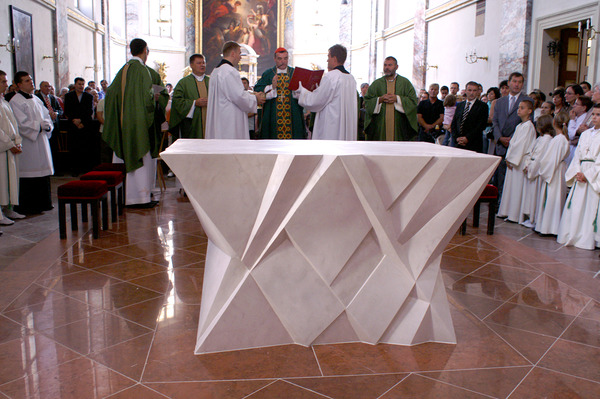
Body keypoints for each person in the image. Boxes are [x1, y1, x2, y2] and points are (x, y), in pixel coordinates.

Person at [103, 38, 161, 207]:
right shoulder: (143, 71)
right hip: (139, 126)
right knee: (141, 157)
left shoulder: (123, 70)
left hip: (123, 125)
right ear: (145, 50)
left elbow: (111, 95)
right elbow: (147, 98)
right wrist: (155, 99)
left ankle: (124, 197)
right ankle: (140, 198)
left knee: (124, 158)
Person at [8, 71, 54, 215]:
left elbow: (46, 115)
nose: (31, 82)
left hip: (41, 140)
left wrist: (47, 124)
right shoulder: (15, 101)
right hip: (28, 143)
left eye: (31, 79)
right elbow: (20, 123)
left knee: (42, 172)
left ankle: (43, 203)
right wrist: (39, 126)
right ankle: (29, 206)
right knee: (30, 173)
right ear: (19, 84)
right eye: (27, 81)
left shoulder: (36, 99)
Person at [557, 104, 600, 250]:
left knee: (590, 208)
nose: (594, 117)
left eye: (598, 115)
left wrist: (587, 175)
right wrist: (577, 171)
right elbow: (577, 156)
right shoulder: (586, 134)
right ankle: (572, 233)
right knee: (575, 206)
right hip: (580, 171)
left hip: (593, 175)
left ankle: (586, 238)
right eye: (593, 114)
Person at [296, 44, 357, 141]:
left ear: (334, 58)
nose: (327, 60)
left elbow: (316, 101)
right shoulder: (351, 78)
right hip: (345, 126)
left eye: (328, 57)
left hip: (332, 127)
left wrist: (302, 91)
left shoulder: (331, 76)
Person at [205, 41, 265, 139]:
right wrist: (255, 98)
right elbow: (239, 97)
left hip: (219, 119)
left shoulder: (215, 71)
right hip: (228, 122)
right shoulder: (229, 71)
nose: (240, 57)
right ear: (233, 54)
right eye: (239, 53)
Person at [492, 72, 531, 201]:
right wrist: (499, 137)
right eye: (514, 81)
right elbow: (495, 121)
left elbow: (526, 124)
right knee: (499, 176)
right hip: (500, 143)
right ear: (508, 83)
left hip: (516, 145)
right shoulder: (500, 101)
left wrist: (512, 139)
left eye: (520, 82)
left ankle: (507, 203)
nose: (517, 84)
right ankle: (497, 203)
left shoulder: (527, 100)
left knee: (511, 178)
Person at [497, 99, 536, 222]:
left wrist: (511, 159)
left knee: (517, 188)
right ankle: (508, 212)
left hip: (519, 161)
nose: (519, 110)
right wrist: (509, 157)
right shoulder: (520, 125)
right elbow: (513, 144)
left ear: (530, 111)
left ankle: (515, 215)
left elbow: (521, 145)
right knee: (511, 187)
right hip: (513, 160)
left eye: (522, 108)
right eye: (519, 107)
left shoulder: (529, 126)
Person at [254, 47, 305, 139]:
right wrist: (271, 87)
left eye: (285, 58)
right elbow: (258, 89)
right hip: (273, 116)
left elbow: (304, 91)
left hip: (292, 115)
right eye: (280, 59)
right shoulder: (269, 74)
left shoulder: (294, 73)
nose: (283, 61)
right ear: (275, 59)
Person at [364, 56, 418, 142]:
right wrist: (380, 99)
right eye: (385, 65)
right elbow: (367, 102)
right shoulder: (376, 84)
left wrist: (397, 99)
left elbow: (413, 102)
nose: (387, 68)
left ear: (396, 67)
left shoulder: (405, 83)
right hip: (380, 127)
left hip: (399, 127)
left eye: (390, 65)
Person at [534, 111, 570, 235]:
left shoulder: (558, 140)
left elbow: (550, 159)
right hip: (557, 170)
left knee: (552, 198)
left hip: (554, 171)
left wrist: (542, 169)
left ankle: (549, 228)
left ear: (554, 123)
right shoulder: (561, 139)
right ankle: (548, 226)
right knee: (553, 197)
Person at [519, 114, 553, 228]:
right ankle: (530, 217)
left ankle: (534, 218)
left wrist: (532, 168)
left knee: (535, 197)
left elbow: (540, 158)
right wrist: (527, 163)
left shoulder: (547, 139)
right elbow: (531, 152)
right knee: (530, 195)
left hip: (536, 172)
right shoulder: (540, 138)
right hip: (531, 168)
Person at [0, 70, 24, 227]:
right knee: (1, 180)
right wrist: (9, 143)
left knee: (10, 180)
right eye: (2, 81)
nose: (6, 84)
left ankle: (8, 208)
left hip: (11, 146)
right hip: (3, 148)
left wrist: (18, 141)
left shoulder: (4, 101)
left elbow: (13, 123)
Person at [169, 54, 210, 139]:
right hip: (192, 125)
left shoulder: (211, 81)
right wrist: (194, 103)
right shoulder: (183, 83)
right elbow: (177, 102)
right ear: (191, 65)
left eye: (204, 62)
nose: (202, 65)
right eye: (199, 63)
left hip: (210, 123)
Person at [64, 77, 94, 175]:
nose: (81, 86)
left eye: (82, 84)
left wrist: (81, 121)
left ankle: (85, 169)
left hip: (84, 125)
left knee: (85, 148)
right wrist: (74, 120)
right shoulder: (68, 96)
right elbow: (67, 110)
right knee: (74, 148)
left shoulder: (88, 96)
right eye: (79, 84)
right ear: (75, 85)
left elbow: (89, 111)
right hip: (73, 125)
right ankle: (74, 170)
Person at [450, 81, 489, 153]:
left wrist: (467, 138)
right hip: (458, 143)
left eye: (474, 90)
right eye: (470, 90)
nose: (472, 93)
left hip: (473, 143)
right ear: (465, 91)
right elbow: (454, 123)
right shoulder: (460, 105)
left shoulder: (483, 106)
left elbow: (481, 125)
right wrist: (457, 138)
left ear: (478, 92)